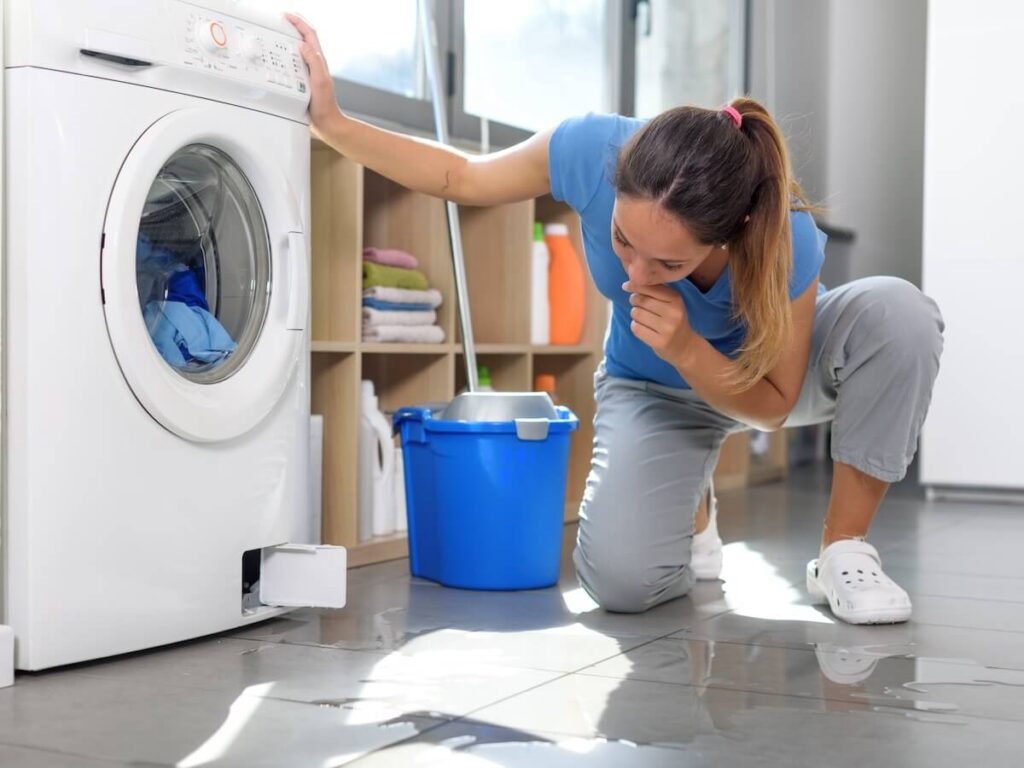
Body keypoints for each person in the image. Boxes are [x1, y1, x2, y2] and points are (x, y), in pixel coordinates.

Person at [287, 14, 944, 625]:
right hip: (653, 392)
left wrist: (688, 345)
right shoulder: (589, 149)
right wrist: (335, 124)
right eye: (624, 241)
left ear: (728, 234)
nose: (634, 278)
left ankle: (843, 553)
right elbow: (462, 177)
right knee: (622, 586)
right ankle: (692, 504)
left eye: (667, 263)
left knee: (899, 312)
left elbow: (773, 408)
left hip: (762, 379)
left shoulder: (782, 237)